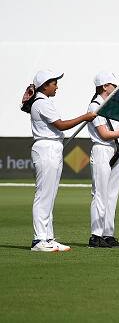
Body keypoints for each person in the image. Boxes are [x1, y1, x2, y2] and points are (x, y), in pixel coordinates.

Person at [21, 70, 96, 252]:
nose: (57, 86)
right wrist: (84, 117)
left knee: (50, 195)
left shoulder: (43, 101)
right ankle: (39, 240)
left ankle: (48, 237)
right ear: (45, 85)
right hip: (46, 147)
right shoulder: (41, 103)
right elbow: (61, 125)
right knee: (43, 195)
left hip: (52, 147)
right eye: (54, 83)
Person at [87, 71, 119, 248]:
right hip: (102, 150)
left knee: (111, 195)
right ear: (104, 86)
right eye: (113, 86)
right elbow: (104, 134)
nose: (116, 89)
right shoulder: (95, 107)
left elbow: (113, 133)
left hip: (115, 150)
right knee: (100, 194)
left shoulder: (110, 106)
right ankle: (96, 235)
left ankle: (108, 234)